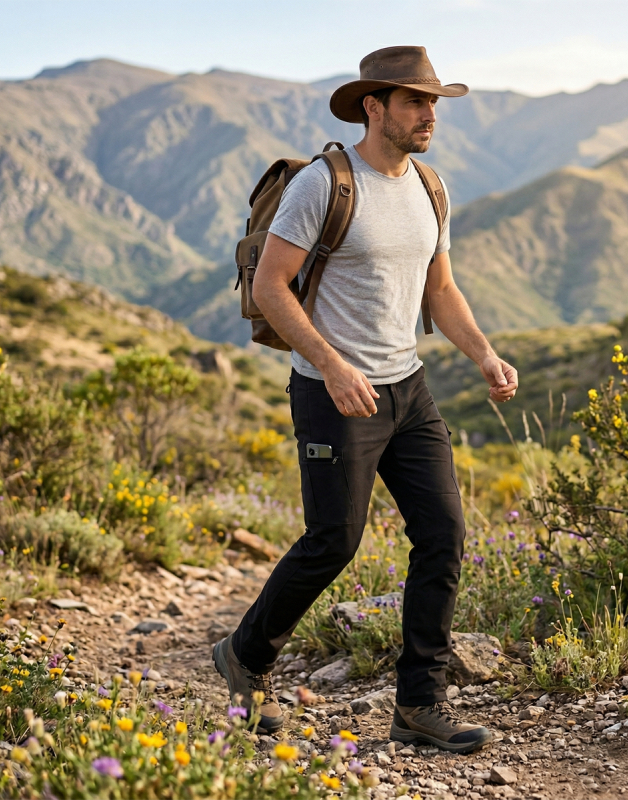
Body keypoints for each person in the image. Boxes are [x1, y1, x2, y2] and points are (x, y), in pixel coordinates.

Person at [213, 45, 518, 754]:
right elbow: (270, 288)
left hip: (408, 390)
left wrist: (484, 353)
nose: (430, 115)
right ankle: (248, 656)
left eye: (434, 102)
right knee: (334, 542)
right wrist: (331, 363)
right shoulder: (324, 184)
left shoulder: (430, 187)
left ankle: (420, 705)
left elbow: (439, 290)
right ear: (373, 106)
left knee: (443, 539)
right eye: (416, 101)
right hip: (331, 393)